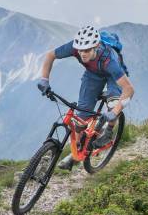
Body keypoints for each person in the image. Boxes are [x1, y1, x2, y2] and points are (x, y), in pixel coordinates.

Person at [37, 25, 134, 170]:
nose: (82, 53)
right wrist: (44, 79)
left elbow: (129, 90)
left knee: (113, 104)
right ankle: (75, 154)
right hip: (93, 74)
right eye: (80, 50)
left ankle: (108, 132)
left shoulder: (109, 60)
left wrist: (114, 113)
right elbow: (50, 55)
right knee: (81, 117)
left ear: (95, 46)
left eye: (87, 50)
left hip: (113, 76)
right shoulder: (75, 47)